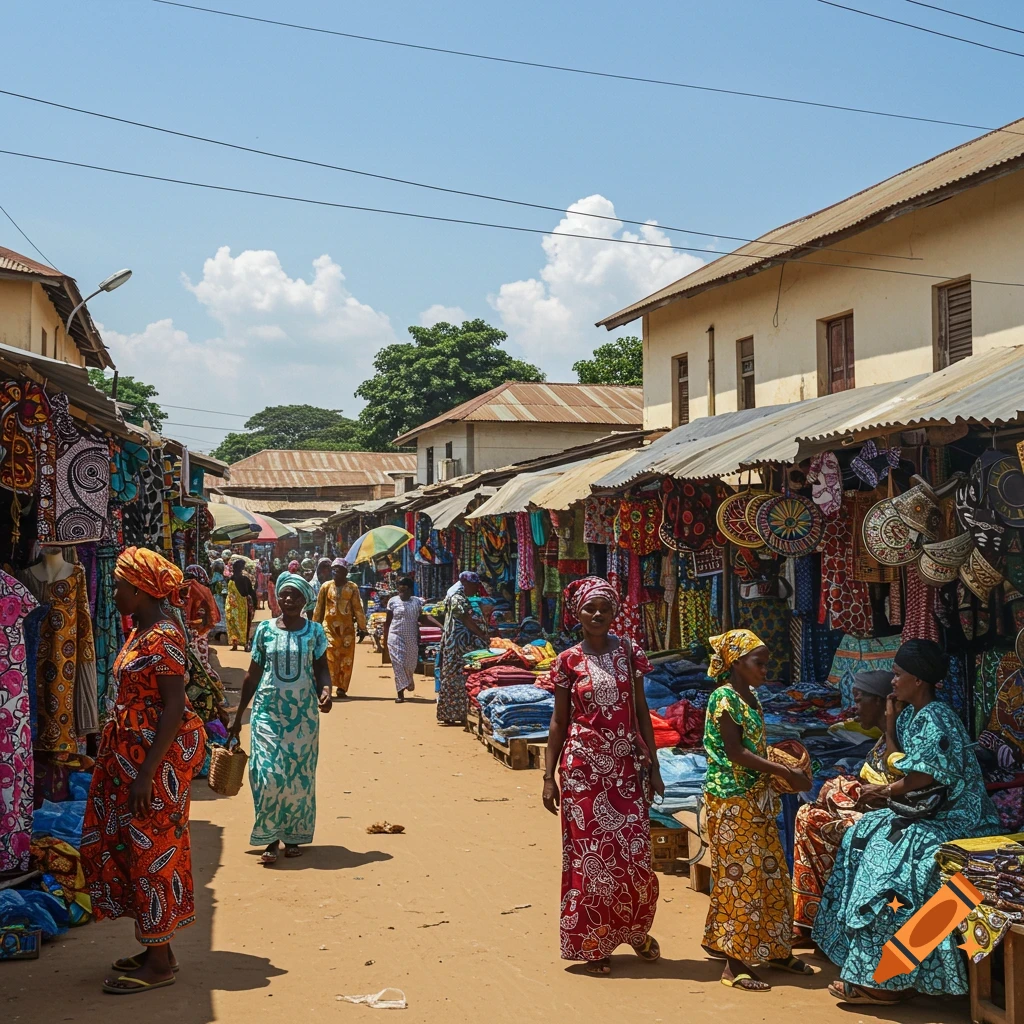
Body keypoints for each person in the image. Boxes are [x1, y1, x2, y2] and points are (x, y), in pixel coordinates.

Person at [813, 639, 1001, 1004]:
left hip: (960, 820)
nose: (893, 682)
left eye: (898, 675)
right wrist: (889, 719)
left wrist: (881, 793)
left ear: (918, 679)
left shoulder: (938, 719)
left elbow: (921, 779)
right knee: (862, 836)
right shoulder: (914, 715)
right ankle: (864, 964)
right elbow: (897, 760)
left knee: (891, 870)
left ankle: (887, 978)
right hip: (927, 813)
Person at [82, 547, 206, 994]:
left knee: (152, 850)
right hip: (131, 759)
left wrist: (147, 774)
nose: (113, 593)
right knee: (135, 849)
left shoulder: (163, 638)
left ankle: (158, 966)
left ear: (138, 590)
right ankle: (159, 948)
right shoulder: (142, 632)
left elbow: (173, 708)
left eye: (118, 587)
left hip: (151, 764)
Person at [542, 577, 662, 975]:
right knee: (589, 858)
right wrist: (548, 775)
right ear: (576, 613)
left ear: (614, 614)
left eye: (604, 609)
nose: (597, 615)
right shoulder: (567, 661)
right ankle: (593, 942)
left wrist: (655, 766)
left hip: (626, 768)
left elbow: (642, 710)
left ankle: (634, 930)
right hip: (582, 771)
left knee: (634, 858)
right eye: (590, 609)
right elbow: (559, 721)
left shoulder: (630, 653)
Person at [701, 629, 813, 992]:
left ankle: (776, 949)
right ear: (736, 663)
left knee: (771, 875)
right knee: (738, 879)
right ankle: (735, 964)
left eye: (766, 663)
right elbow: (735, 753)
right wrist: (783, 771)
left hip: (757, 800)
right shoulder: (724, 699)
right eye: (759, 663)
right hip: (731, 801)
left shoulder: (752, 697)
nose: (766, 669)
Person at [229, 572, 332, 865]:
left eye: (295, 596)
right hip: (267, 713)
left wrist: (326, 691)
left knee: (298, 778)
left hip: (303, 717)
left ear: (305, 600)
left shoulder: (314, 632)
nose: (288, 600)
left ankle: (294, 835)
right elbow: (252, 674)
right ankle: (270, 837)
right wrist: (238, 717)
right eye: (284, 594)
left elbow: (321, 668)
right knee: (268, 775)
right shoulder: (264, 630)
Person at [792, 670, 902, 936]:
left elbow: (903, 786)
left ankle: (837, 925)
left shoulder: (900, 736)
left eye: (860, 699)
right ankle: (809, 921)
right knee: (807, 814)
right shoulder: (881, 739)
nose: (855, 708)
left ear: (879, 702)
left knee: (835, 817)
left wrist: (890, 726)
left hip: (897, 818)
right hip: (877, 810)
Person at [436, 571, 491, 725]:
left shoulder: (461, 598)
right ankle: (449, 713)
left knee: (460, 676)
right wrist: (482, 634)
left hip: (460, 644)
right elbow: (466, 620)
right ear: (465, 583)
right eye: (474, 584)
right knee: (453, 676)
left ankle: (458, 713)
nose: (476, 588)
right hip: (456, 645)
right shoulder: (457, 598)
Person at [313, 558, 367, 698]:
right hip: (328, 629)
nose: (335, 572)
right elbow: (319, 608)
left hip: (347, 631)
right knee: (329, 657)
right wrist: (314, 627)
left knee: (346, 660)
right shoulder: (325, 586)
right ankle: (327, 687)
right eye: (333, 569)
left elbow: (358, 608)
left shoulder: (352, 588)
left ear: (345, 572)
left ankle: (342, 688)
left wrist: (362, 627)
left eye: (338, 569)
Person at [383, 577, 442, 703]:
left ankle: (408, 679)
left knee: (410, 663)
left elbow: (423, 618)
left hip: (411, 636)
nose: (402, 593)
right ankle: (400, 693)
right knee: (398, 662)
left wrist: (441, 626)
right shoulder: (392, 602)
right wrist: (385, 640)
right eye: (400, 590)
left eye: (405, 590)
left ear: (410, 590)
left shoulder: (417, 602)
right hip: (395, 635)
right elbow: (387, 622)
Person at [225, 558, 255, 652]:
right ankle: (245, 644)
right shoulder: (245, 579)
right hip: (243, 606)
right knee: (245, 625)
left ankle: (235, 644)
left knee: (233, 625)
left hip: (232, 606)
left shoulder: (231, 579)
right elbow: (250, 592)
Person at [209, 557, 227, 642]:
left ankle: (217, 633)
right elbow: (223, 590)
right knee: (220, 613)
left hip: (214, 598)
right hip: (219, 598)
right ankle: (221, 632)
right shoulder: (220, 577)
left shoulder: (213, 577)